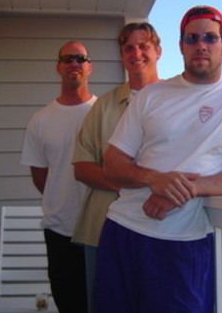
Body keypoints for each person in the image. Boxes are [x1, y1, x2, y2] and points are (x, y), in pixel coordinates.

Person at [96, 6, 222, 313]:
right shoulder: (152, 96)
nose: (201, 44)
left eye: (210, 37)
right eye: (191, 38)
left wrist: (181, 190)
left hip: (182, 241)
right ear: (181, 46)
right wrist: (154, 179)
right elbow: (112, 164)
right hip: (122, 230)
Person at [72, 22, 162, 312]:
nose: (136, 53)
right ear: (122, 56)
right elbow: (82, 166)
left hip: (162, 229)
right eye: (128, 48)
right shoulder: (104, 105)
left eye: (143, 46)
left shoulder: (177, 100)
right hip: (101, 229)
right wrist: (132, 183)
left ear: (158, 51)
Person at [20, 41, 97, 313]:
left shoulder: (103, 114)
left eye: (80, 58)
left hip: (101, 228)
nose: (74, 63)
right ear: (58, 67)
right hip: (59, 230)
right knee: (69, 304)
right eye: (67, 59)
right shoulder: (40, 119)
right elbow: (40, 176)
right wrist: (61, 199)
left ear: (89, 67)